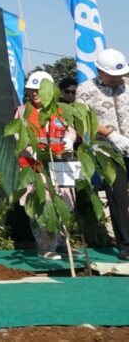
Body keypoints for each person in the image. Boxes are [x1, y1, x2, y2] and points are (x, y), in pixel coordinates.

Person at [75, 48, 129, 260]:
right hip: (108, 151)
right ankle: (125, 244)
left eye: (121, 75)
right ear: (99, 71)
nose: (118, 79)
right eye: (112, 76)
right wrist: (110, 134)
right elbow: (82, 119)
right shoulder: (86, 89)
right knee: (118, 197)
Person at [16, 71, 77, 259]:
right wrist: (30, 148)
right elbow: (18, 135)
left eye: (39, 90)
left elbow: (71, 130)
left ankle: (61, 243)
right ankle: (45, 247)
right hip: (35, 165)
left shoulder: (62, 109)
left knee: (67, 203)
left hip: (62, 162)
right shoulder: (22, 111)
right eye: (32, 90)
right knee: (45, 204)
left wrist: (70, 140)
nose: (35, 93)